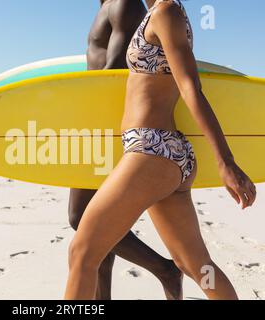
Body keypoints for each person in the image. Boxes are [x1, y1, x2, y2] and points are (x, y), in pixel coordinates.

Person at [65, 0, 257, 300]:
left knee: (82, 253)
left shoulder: (167, 12)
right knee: (196, 265)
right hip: (162, 155)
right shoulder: (162, 13)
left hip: (151, 149)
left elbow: (190, 86)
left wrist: (226, 161)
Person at [68, 0, 183, 300]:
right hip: (98, 125)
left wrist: (80, 124)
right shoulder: (111, 5)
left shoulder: (125, 4)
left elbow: (111, 75)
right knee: (94, 222)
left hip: (103, 128)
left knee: (80, 218)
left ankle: (164, 270)